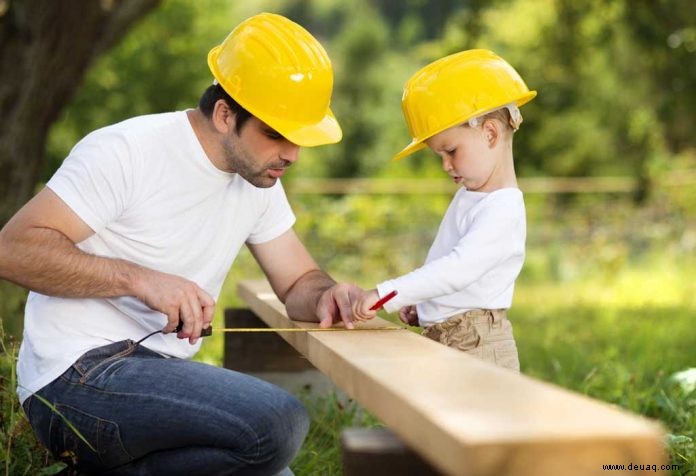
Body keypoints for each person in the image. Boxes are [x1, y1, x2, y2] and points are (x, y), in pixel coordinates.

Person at [0, 12, 362, 475]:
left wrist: (330, 295)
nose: (291, 154)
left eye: (300, 140)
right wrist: (139, 280)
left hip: (159, 377)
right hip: (75, 378)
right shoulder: (126, 150)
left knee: (275, 469)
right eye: (277, 134)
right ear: (225, 114)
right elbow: (13, 249)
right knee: (278, 421)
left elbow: (299, 283)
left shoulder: (260, 177)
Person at [352, 49, 537, 372]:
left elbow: (458, 269)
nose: (445, 165)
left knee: (479, 423)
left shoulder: (502, 209)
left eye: (450, 150)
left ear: (490, 133)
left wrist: (385, 295)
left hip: (478, 345)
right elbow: (454, 277)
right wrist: (425, 308)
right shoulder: (471, 196)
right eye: (439, 155)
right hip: (450, 337)